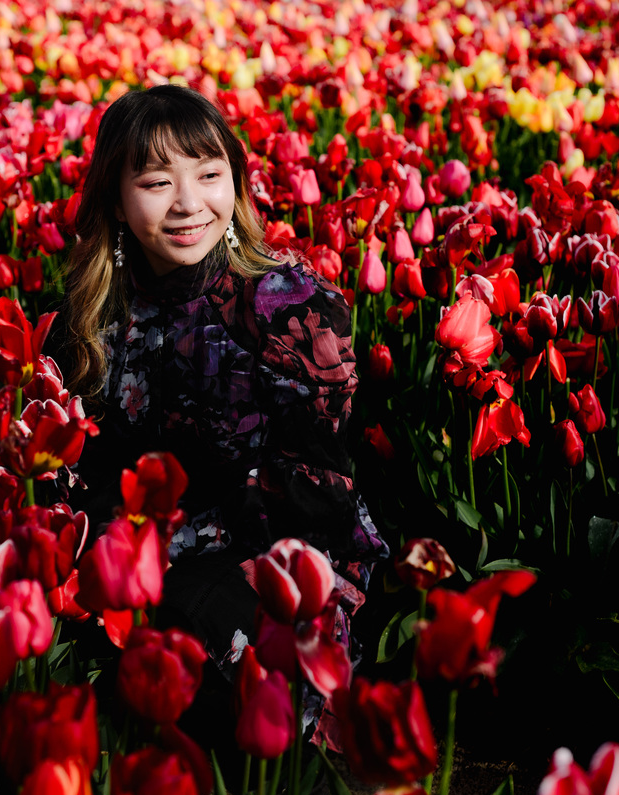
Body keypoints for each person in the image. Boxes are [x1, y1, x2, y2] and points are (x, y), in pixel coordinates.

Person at [54, 84, 386, 680]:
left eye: (209, 175)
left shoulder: (289, 312)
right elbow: (83, 466)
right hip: (132, 543)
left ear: (235, 182)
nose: (188, 204)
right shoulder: (89, 315)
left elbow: (315, 487)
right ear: (114, 200)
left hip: (273, 549)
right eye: (157, 183)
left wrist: (171, 546)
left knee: (189, 633)